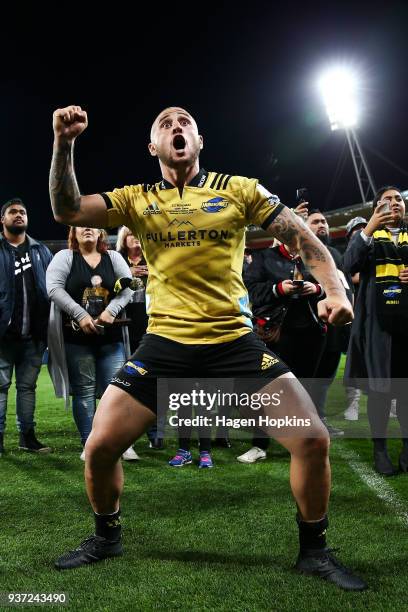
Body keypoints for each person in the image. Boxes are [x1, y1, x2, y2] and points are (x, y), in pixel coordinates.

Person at [49, 105, 365, 591]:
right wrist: (64, 143)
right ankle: (107, 537)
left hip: (233, 341)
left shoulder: (239, 189)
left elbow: (303, 238)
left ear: (199, 140)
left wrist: (336, 290)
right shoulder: (137, 199)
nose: (176, 127)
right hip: (164, 345)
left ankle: (315, 552)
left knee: (312, 440)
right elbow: (67, 210)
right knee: (98, 449)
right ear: (153, 147)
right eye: (164, 124)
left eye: (185, 123)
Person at [46, 226, 138, 461]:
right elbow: (53, 289)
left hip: (111, 338)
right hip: (76, 339)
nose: (87, 228)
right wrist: (80, 315)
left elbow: (129, 289)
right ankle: (89, 444)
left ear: (100, 234)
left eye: (93, 226)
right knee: (84, 393)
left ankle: (119, 443)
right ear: (73, 234)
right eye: (81, 226)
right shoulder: (65, 257)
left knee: (115, 392)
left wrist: (111, 311)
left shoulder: (114, 257)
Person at [239, 235, 327, 463]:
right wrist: (278, 289)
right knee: (267, 390)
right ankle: (259, 445)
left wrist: (316, 289)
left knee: (306, 389)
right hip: (274, 332)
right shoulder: (263, 257)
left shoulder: (316, 255)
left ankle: (300, 441)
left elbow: (336, 285)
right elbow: (249, 289)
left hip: (312, 333)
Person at [344, 186, 408, 476]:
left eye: (399, 199)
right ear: (376, 209)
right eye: (387, 200)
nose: (395, 203)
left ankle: (407, 448)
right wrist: (368, 228)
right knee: (380, 391)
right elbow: (349, 265)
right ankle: (380, 450)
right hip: (377, 325)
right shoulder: (368, 238)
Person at [0, 198, 52, 456]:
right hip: (3, 337)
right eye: (12, 212)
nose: (18, 215)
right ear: (3, 219)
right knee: (0, 388)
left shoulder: (41, 251)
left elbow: (51, 290)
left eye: (22, 211)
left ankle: (27, 436)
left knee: (27, 388)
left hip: (34, 336)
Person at [306, 209, 353, 438]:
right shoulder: (303, 253)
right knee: (306, 379)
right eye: (315, 222)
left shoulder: (335, 253)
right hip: (310, 327)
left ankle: (319, 421)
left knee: (324, 379)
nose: (322, 225)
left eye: (324, 221)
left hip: (336, 328)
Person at [116, 226, 164, 450]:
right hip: (125, 329)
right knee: (128, 382)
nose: (134, 239)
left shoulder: (154, 258)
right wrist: (128, 274)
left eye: (138, 234)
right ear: (123, 240)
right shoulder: (117, 262)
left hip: (152, 327)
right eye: (130, 235)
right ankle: (127, 434)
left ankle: (155, 432)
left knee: (154, 380)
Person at [343, 217, 367, 421]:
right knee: (355, 358)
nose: (361, 231)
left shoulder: (378, 243)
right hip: (357, 310)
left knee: (389, 357)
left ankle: (394, 402)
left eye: (363, 227)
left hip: (379, 309)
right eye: (356, 229)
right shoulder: (351, 249)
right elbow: (348, 274)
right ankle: (353, 403)